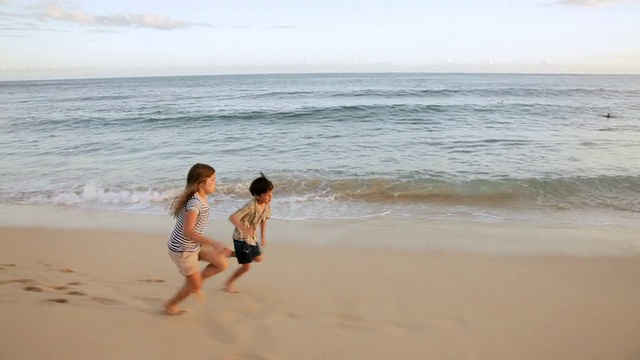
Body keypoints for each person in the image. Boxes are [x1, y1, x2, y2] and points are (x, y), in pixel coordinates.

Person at [164, 163, 230, 315]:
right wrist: (214, 243)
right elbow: (188, 232)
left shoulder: (202, 198)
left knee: (221, 264)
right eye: (212, 179)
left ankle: (195, 282)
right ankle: (170, 305)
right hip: (182, 249)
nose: (216, 183)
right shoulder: (195, 204)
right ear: (201, 183)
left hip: (193, 246)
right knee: (195, 286)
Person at [224, 172, 274, 293]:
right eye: (267, 194)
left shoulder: (266, 205)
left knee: (259, 258)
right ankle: (229, 283)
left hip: (251, 238)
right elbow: (233, 217)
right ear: (257, 196)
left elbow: (264, 221)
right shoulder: (250, 206)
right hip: (241, 238)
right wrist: (246, 229)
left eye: (272, 192)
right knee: (246, 267)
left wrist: (262, 237)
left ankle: (230, 253)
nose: (270, 196)